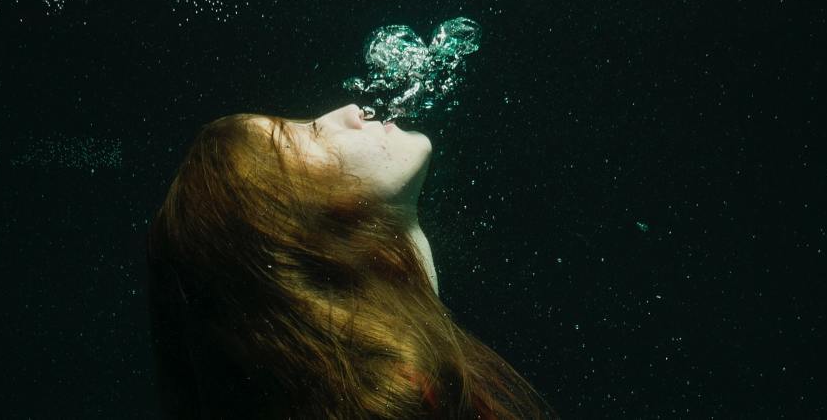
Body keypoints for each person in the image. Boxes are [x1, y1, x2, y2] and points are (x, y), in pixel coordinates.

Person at [146, 104, 559, 419]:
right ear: (285, 234)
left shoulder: (398, 379)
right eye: (303, 137)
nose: (348, 111)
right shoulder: (399, 396)